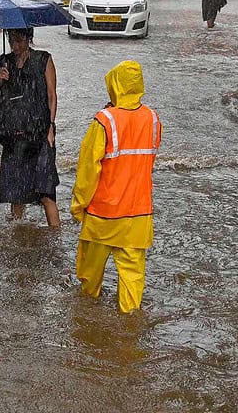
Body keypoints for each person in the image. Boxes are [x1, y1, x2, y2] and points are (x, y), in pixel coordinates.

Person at [71, 61, 161, 314]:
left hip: (103, 215)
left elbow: (88, 170)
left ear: (114, 84)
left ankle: (88, 324)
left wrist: (79, 206)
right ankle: (130, 330)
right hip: (138, 215)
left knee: (89, 281)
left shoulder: (104, 121)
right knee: (133, 282)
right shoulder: (153, 119)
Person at [0, 28, 60, 228]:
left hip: (39, 134)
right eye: (11, 41)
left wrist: (50, 127)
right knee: (16, 195)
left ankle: (55, 237)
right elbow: (5, 101)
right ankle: (18, 234)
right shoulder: (5, 63)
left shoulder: (43, 60)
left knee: (46, 193)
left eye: (19, 41)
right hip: (14, 136)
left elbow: (51, 95)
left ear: (28, 39)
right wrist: (2, 80)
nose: (15, 46)